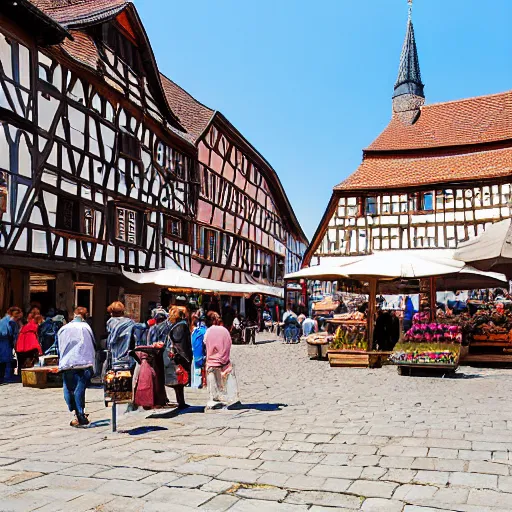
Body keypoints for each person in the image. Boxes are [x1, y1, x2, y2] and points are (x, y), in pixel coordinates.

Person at [57, 307, 96, 427]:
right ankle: (80, 414)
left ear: (73, 315)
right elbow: (92, 343)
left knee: (69, 388)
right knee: (80, 388)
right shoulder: (86, 328)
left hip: (68, 362)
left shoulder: (63, 329)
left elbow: (58, 346)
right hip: (84, 361)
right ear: (86, 316)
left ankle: (75, 411)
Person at [204, 311, 239, 409]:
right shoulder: (225, 331)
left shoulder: (209, 331)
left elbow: (205, 342)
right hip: (224, 361)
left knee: (212, 379)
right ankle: (227, 397)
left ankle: (214, 399)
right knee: (224, 381)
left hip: (211, 361)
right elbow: (229, 343)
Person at [164, 306, 192, 409]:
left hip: (174, 356)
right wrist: (187, 357)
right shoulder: (181, 326)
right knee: (180, 379)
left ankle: (181, 401)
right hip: (179, 356)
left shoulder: (173, 326)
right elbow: (181, 343)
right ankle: (181, 401)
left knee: (178, 380)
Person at [0, 307, 22, 383]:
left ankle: (6, 376)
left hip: (8, 344)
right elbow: (4, 333)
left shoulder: (12, 322)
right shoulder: (5, 321)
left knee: (7, 360)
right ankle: (4, 377)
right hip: (3, 343)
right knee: (4, 360)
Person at [191, 315, 206, 388]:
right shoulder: (205, 330)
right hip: (202, 353)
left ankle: (196, 383)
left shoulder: (195, 331)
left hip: (195, 353)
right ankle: (203, 382)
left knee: (196, 369)